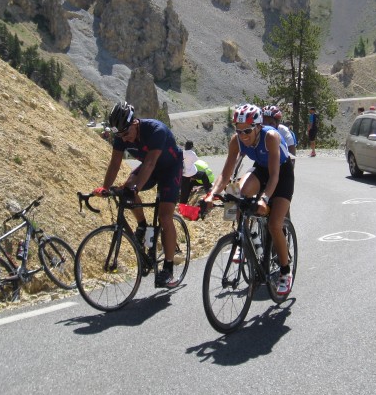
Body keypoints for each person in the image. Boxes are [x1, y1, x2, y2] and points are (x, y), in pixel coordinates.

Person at [204, 104, 295, 296]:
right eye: (239, 130)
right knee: (239, 192)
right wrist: (212, 194)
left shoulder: (271, 137)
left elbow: (275, 176)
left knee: (274, 224)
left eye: (247, 131)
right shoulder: (236, 140)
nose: (243, 135)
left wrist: (264, 199)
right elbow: (226, 173)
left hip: (281, 173)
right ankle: (244, 239)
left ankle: (285, 272)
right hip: (261, 169)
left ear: (258, 126)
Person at [93, 102, 183, 287]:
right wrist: (105, 187)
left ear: (134, 123)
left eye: (126, 134)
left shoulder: (156, 130)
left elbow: (150, 164)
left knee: (165, 217)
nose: (124, 140)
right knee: (127, 188)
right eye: (120, 136)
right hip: (151, 166)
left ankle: (168, 269)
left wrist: (135, 188)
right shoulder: (122, 134)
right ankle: (142, 226)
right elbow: (115, 162)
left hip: (169, 168)